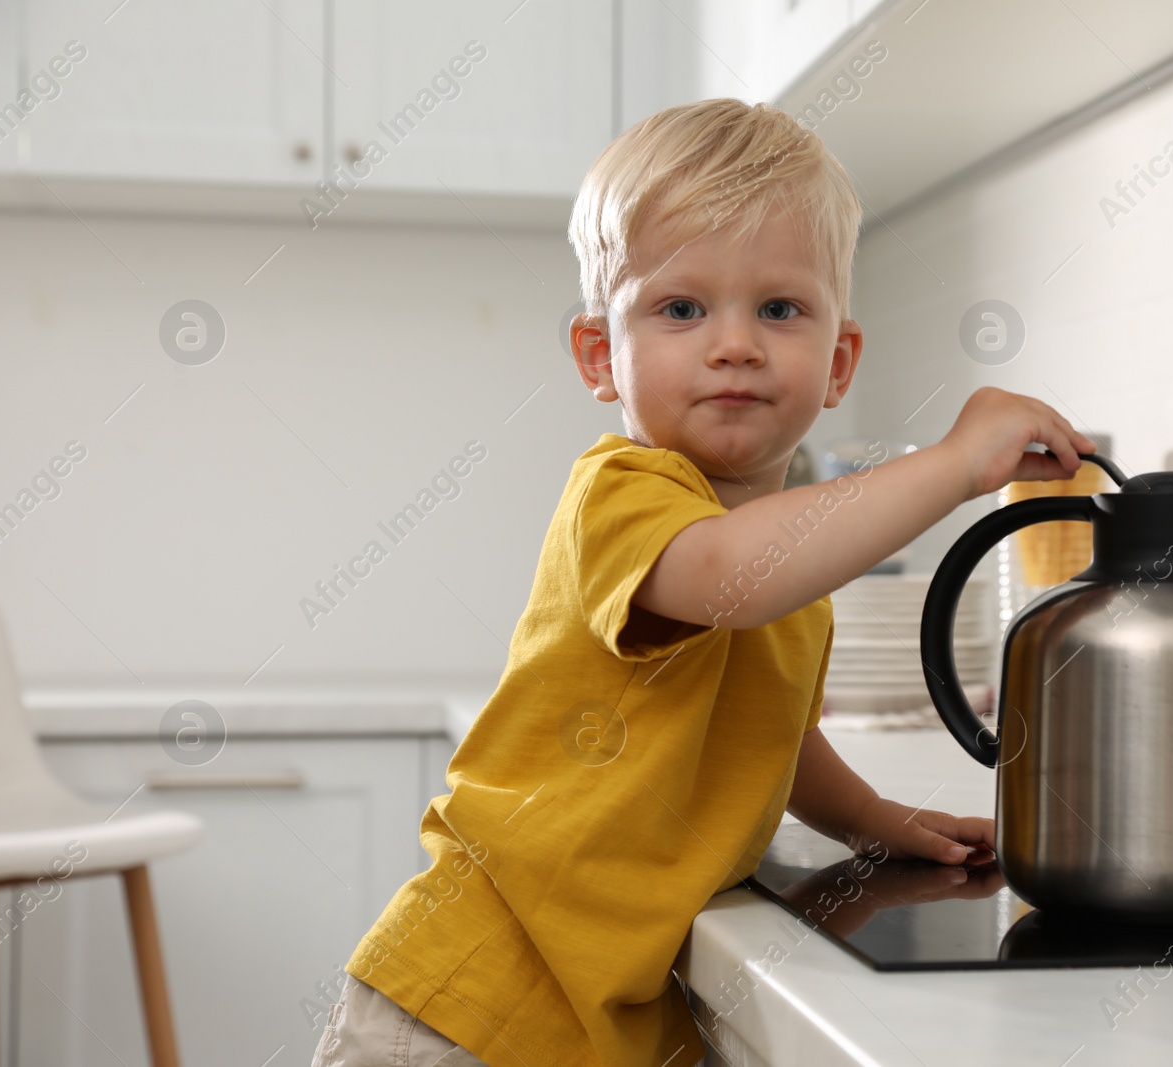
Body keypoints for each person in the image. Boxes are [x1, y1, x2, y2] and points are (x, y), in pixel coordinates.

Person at [310, 97, 1094, 1067]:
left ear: (838, 360)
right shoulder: (625, 495)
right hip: (467, 1004)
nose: (735, 343)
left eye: (779, 308)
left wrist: (874, 821)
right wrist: (952, 461)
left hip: (585, 1010)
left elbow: (770, 736)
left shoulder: (790, 562)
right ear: (603, 354)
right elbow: (732, 577)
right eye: (681, 308)